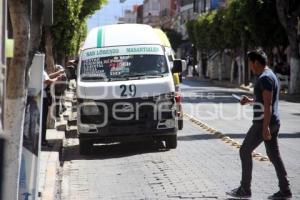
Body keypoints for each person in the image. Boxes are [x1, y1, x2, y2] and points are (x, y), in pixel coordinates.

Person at [228, 49, 292, 199]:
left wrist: (265, 127)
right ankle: (285, 190)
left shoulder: (264, 78)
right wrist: (250, 101)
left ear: (256, 62)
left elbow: (268, 104)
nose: (250, 67)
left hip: (263, 122)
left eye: (250, 63)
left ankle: (245, 189)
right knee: (274, 155)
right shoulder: (270, 75)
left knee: (244, 151)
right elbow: (264, 100)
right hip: (272, 121)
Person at [42, 69, 64, 147]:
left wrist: (57, 74)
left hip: (42, 97)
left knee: (43, 120)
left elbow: (47, 77)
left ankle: (42, 140)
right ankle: (42, 141)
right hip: (42, 98)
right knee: (43, 121)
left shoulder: (39, 69)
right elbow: (47, 81)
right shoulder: (39, 68)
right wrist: (57, 79)